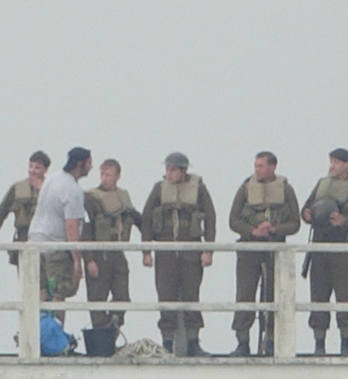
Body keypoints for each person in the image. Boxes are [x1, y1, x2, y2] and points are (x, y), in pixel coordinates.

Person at [142, 151, 218, 356]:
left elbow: (210, 218)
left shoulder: (199, 189)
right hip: (165, 250)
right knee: (166, 294)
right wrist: (146, 251)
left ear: (184, 170)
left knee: (191, 295)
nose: (169, 172)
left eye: (173, 169)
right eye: (167, 169)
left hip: (191, 249)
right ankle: (167, 342)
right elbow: (147, 218)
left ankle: (193, 342)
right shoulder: (159, 189)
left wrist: (208, 249)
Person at [302, 148, 348, 356]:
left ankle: (345, 344)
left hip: (343, 247)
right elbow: (307, 208)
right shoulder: (322, 184)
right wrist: (306, 215)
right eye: (331, 161)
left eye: (336, 162)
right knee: (318, 297)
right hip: (320, 246)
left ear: (347, 164)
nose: (332, 166)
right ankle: (319, 344)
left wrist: (346, 222)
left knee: (344, 297)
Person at [228, 151, 301, 356]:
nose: (257, 169)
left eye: (261, 165)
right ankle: (242, 341)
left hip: (275, 249)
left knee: (273, 294)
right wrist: (253, 231)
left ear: (273, 167)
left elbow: (295, 223)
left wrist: (275, 228)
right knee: (245, 295)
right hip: (249, 249)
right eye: (256, 165)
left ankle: (270, 340)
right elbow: (233, 220)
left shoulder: (286, 190)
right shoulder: (245, 188)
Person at [83, 159, 142, 341]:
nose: (105, 178)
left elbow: (137, 219)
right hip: (98, 255)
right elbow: (85, 230)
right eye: (102, 174)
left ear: (117, 176)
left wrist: (150, 242)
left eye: (109, 174)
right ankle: (102, 339)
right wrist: (89, 259)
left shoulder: (123, 198)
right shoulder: (91, 198)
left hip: (117, 253)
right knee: (97, 298)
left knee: (122, 295)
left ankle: (115, 324)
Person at [29, 148, 92, 315]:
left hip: (35, 242)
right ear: (80, 164)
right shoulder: (73, 190)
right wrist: (77, 260)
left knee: (42, 292)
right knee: (59, 293)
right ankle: (56, 337)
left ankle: (39, 335)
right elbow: (71, 227)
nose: (91, 167)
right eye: (89, 163)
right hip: (55, 247)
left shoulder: (53, 178)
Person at [0, 150, 50, 266]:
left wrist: (43, 190)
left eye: (37, 168)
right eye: (30, 166)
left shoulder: (53, 189)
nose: (32, 171)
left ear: (45, 170)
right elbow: (0, 213)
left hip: (46, 238)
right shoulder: (17, 189)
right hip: (23, 237)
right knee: (25, 279)